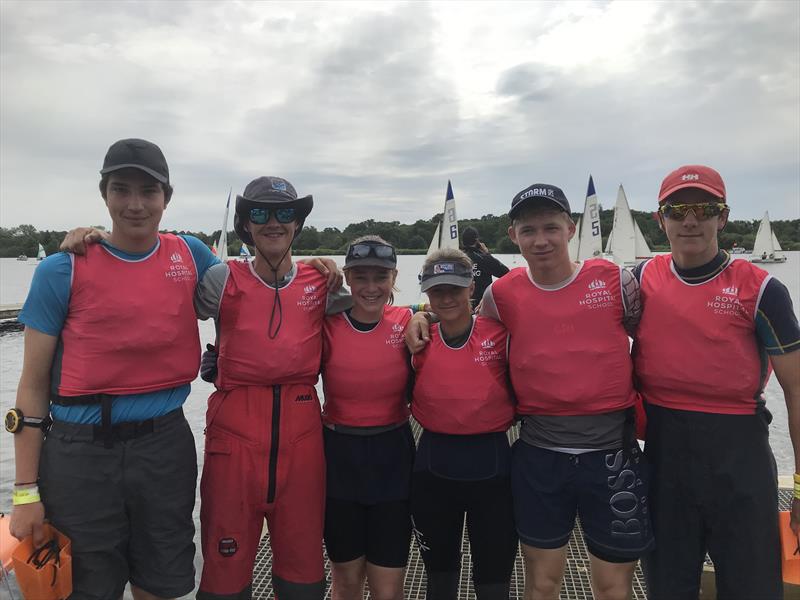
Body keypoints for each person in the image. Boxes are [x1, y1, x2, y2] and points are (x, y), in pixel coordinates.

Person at [406, 184, 653, 600]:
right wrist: (420, 316)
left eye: (551, 228)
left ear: (571, 229)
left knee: (614, 587)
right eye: (529, 230)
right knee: (541, 584)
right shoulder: (501, 294)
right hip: (540, 454)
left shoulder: (616, 279)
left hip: (612, 454)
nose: (541, 240)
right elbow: (463, 324)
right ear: (512, 235)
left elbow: (647, 342)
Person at [7, 138, 218, 599]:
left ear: (168, 197)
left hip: (165, 446)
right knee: (88, 588)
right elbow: (32, 384)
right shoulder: (62, 269)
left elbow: (260, 294)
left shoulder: (193, 256)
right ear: (104, 194)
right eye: (121, 190)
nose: (136, 204)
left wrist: (319, 270)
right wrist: (25, 493)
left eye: (149, 191)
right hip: (79, 457)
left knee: (161, 582)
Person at [634, 165, 800, 600]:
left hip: (739, 456)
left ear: (722, 218)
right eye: (678, 209)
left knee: (752, 589)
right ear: (660, 219)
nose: (691, 219)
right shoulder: (639, 281)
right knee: (668, 588)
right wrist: (430, 318)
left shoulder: (763, 290)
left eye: (704, 209)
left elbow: (797, 392)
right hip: (665, 456)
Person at [194, 176, 351, 600]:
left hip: (301, 434)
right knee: (224, 575)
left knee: (302, 575)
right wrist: (99, 240)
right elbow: (154, 289)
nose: (273, 223)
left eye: (285, 213)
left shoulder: (323, 283)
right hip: (233, 434)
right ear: (245, 225)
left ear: (297, 224)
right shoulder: (219, 280)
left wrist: (418, 321)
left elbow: (373, 312)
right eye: (260, 214)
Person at [409, 248, 518, 600]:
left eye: (454, 289)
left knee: (494, 577)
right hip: (433, 469)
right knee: (440, 579)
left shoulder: (501, 334)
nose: (446, 297)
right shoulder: (415, 339)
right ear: (425, 291)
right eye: (437, 290)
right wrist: (417, 315)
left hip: (494, 470)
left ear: (471, 287)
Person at [320, 235, 415, 600]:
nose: (371, 288)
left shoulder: (408, 320)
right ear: (346, 277)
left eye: (381, 277)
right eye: (361, 277)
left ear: (394, 277)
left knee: (388, 588)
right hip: (340, 459)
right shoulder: (327, 324)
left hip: (392, 458)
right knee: (345, 581)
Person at [460, 226, 509, 307]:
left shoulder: (456, 259)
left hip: (462, 305)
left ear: (462, 242)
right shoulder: (484, 258)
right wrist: (487, 254)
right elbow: (506, 273)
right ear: (477, 241)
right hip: (483, 306)